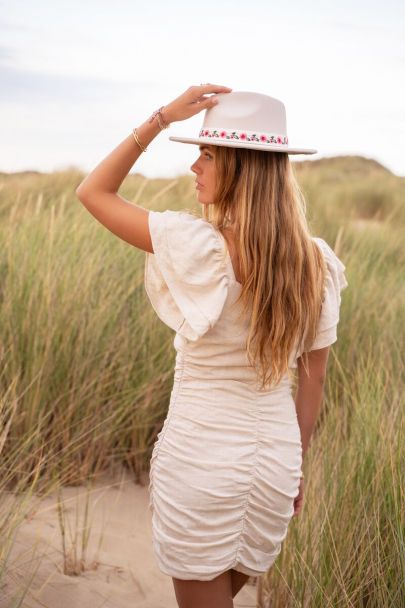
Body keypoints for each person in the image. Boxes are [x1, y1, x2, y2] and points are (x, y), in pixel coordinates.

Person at [75, 84, 349, 608]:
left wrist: (159, 119)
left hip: (202, 459)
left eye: (206, 154)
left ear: (241, 166)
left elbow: (94, 192)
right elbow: (312, 378)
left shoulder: (199, 246)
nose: (194, 167)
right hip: (275, 461)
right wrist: (296, 466)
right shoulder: (315, 262)